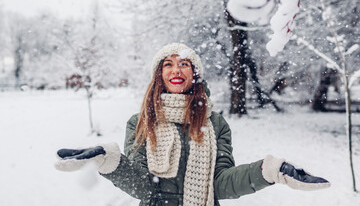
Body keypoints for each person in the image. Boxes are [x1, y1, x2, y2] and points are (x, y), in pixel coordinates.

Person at [55, 43, 330, 206]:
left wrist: (270, 171)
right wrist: (108, 160)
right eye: (168, 65)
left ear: (194, 74)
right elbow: (143, 187)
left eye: (184, 64)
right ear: (159, 75)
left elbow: (220, 183)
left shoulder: (214, 123)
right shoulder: (140, 123)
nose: (176, 70)